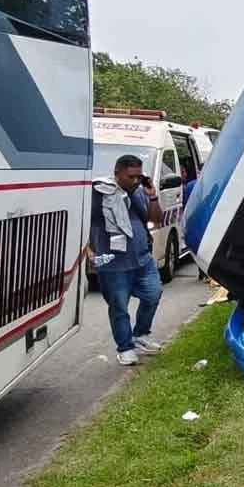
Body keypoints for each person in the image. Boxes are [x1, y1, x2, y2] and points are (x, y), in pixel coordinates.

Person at [89, 155, 165, 365]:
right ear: (117, 173)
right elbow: (82, 219)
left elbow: (156, 219)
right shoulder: (101, 194)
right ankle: (125, 347)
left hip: (142, 259)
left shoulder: (140, 193)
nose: (135, 181)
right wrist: (87, 250)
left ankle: (140, 334)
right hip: (114, 264)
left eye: (138, 177)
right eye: (130, 176)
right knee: (119, 307)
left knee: (153, 294)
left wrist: (153, 196)